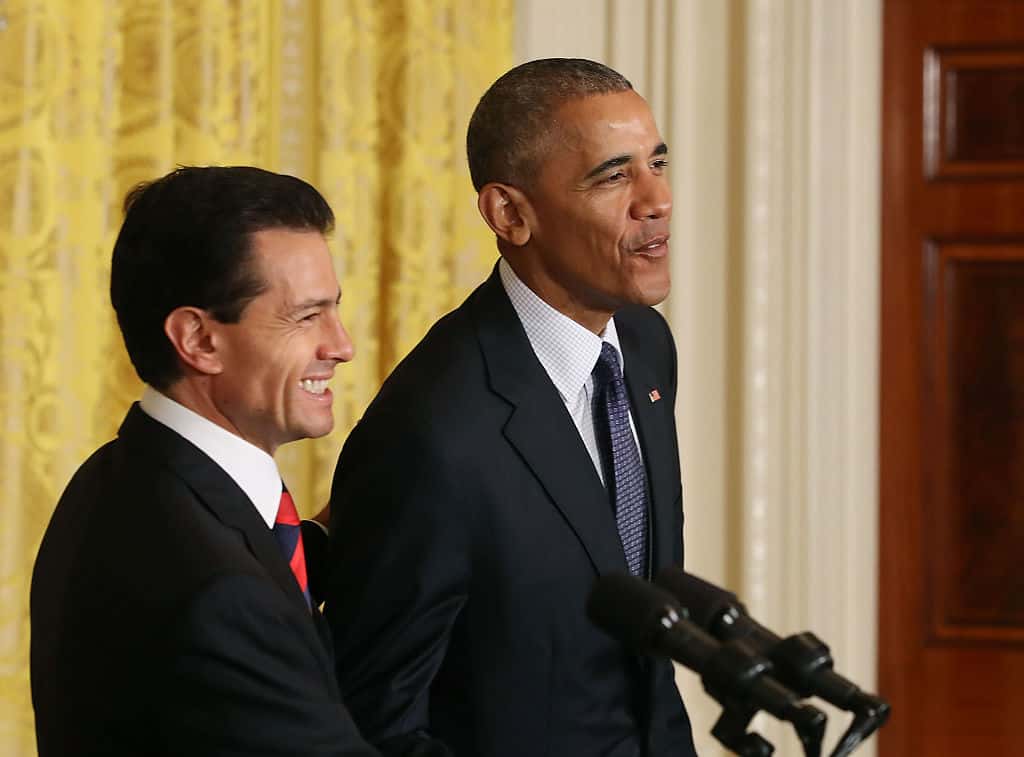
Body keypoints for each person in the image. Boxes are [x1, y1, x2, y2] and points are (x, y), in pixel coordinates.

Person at [326, 59, 698, 757]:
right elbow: (376, 721)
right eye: (614, 175)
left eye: (657, 162)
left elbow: (641, 658)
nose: (657, 199)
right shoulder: (432, 429)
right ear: (510, 213)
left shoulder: (646, 346)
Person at [30, 166, 379, 757]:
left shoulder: (116, 475)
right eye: (306, 316)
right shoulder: (222, 598)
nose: (341, 346)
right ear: (198, 340)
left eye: (335, 310)